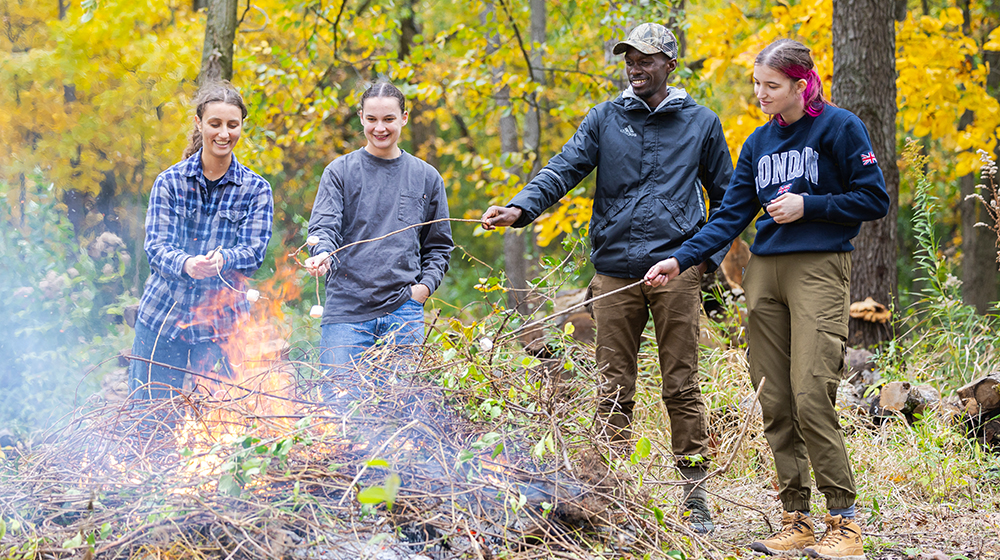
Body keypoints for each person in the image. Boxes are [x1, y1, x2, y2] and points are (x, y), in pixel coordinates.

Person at [481, 23, 732, 534]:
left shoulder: (701, 123)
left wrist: (702, 260)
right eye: (629, 60)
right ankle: (607, 494)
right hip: (615, 271)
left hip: (676, 271)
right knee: (612, 388)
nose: (635, 68)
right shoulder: (605, 118)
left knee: (681, 385)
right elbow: (563, 168)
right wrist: (520, 208)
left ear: (669, 65)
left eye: (646, 60)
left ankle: (694, 498)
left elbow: (727, 199)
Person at [645, 39, 889, 559]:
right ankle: (795, 517)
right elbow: (730, 216)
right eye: (756, 84)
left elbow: (874, 198)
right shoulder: (757, 143)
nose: (760, 94)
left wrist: (810, 205)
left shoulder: (839, 127)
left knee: (809, 394)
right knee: (775, 400)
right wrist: (680, 260)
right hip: (764, 273)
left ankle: (843, 522)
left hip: (818, 269)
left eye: (771, 86)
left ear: (801, 85)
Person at [305, 81, 453, 400]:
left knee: (403, 411)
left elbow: (439, 245)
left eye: (388, 119)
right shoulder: (340, 171)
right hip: (346, 311)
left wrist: (422, 290)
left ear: (404, 117)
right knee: (340, 410)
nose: (380, 128)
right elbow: (324, 226)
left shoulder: (426, 176)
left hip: (404, 310)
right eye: (372, 119)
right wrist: (323, 253)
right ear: (361, 118)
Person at [129, 81, 274, 400]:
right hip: (164, 318)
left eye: (232, 125)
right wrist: (187, 264)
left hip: (223, 326)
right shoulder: (169, 182)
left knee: (220, 424)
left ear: (241, 127)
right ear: (199, 123)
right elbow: (155, 247)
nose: (224, 134)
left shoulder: (256, 189)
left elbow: (254, 253)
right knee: (149, 420)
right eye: (215, 124)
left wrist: (224, 260)